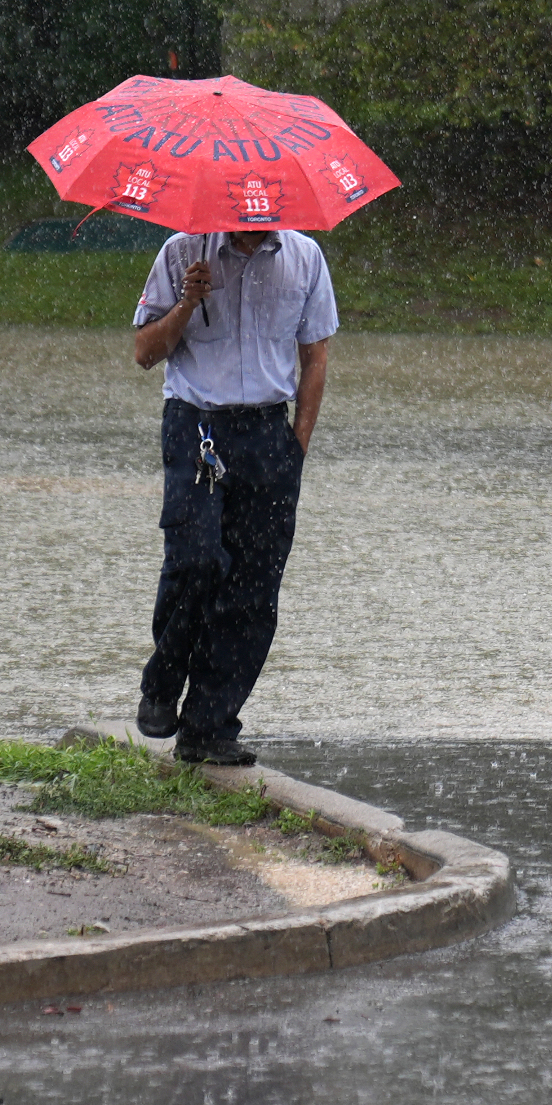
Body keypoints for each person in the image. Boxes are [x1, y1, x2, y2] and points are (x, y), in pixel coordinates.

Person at [129, 228, 337, 764]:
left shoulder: (306, 257)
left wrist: (298, 447)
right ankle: (161, 685)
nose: (258, 215)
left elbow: (315, 356)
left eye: (270, 205)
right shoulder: (180, 252)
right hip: (196, 426)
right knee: (196, 561)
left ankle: (209, 726)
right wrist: (186, 303)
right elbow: (144, 353)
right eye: (248, 207)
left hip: (270, 435)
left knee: (254, 586)